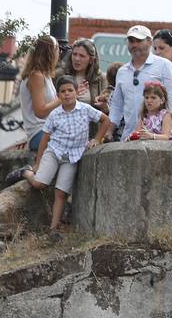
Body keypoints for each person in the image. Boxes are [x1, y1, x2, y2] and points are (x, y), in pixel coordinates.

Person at [25, 79, 111, 232]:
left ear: (76, 92)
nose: (67, 94)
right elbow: (45, 139)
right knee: (40, 184)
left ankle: (53, 228)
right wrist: (38, 163)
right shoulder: (54, 114)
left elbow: (105, 120)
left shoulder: (85, 109)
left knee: (61, 192)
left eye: (70, 90)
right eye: (63, 92)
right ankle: (26, 172)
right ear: (58, 95)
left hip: (72, 157)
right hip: (54, 152)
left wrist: (97, 139)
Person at [110, 25, 172, 142]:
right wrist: (109, 131)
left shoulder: (164, 65)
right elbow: (116, 106)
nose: (134, 44)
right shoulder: (122, 71)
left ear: (150, 42)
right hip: (130, 137)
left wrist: (164, 133)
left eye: (139, 41)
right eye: (131, 41)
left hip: (158, 139)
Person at [16, 35, 60, 153]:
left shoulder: (45, 76)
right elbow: (40, 111)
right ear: (50, 53)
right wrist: (61, 99)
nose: (59, 54)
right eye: (58, 50)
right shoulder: (36, 76)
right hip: (39, 132)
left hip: (46, 130)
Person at [57, 38, 107, 109]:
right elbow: (52, 104)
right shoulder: (60, 74)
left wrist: (105, 107)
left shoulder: (101, 78)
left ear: (91, 59)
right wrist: (73, 96)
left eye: (82, 56)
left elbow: (107, 110)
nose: (77, 59)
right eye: (74, 54)